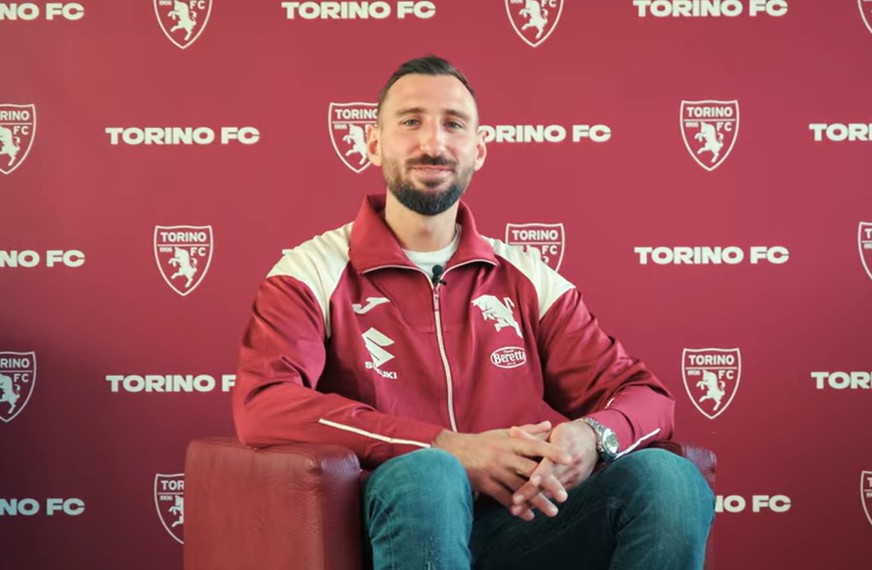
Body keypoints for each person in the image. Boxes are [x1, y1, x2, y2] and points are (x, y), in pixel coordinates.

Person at [233, 55, 714, 569]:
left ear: (478, 149)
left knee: (668, 479)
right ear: (372, 143)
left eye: (454, 124)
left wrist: (593, 437)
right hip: (385, 526)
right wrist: (445, 447)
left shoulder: (527, 278)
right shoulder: (312, 270)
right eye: (410, 121)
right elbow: (265, 403)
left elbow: (646, 398)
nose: (433, 143)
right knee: (430, 473)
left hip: (519, 524)